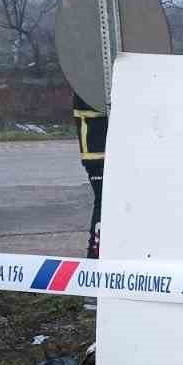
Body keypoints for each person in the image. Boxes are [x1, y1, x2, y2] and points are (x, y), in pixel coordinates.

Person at [72, 93, 107, 259]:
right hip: (96, 149)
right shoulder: (88, 77)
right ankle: (95, 255)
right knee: (104, 202)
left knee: (103, 201)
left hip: (94, 147)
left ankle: (95, 253)